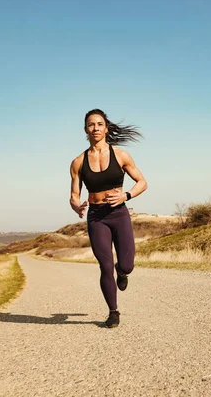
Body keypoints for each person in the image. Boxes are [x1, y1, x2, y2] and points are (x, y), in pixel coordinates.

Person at [69, 109, 147, 328]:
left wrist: (127, 195)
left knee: (127, 264)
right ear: (85, 129)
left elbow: (142, 182)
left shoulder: (121, 155)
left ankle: (122, 272)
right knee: (104, 266)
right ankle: (113, 312)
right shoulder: (78, 162)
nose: (95, 128)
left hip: (119, 213)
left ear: (106, 128)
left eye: (99, 124)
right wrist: (76, 205)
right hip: (96, 217)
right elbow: (74, 195)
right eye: (91, 124)